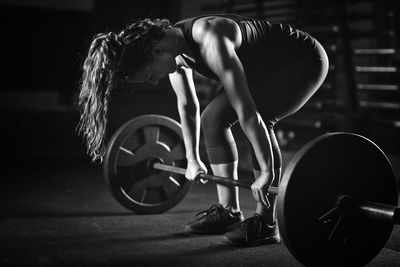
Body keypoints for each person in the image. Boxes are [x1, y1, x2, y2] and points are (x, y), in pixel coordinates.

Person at [77, 14, 329, 247]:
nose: (155, 81)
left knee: (261, 117)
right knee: (212, 120)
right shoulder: (172, 49)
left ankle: (267, 223)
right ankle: (229, 211)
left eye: (150, 75)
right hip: (262, 70)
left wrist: (265, 173)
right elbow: (187, 105)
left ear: (156, 52)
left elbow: (248, 113)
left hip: (301, 60)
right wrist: (192, 159)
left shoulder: (210, 39)